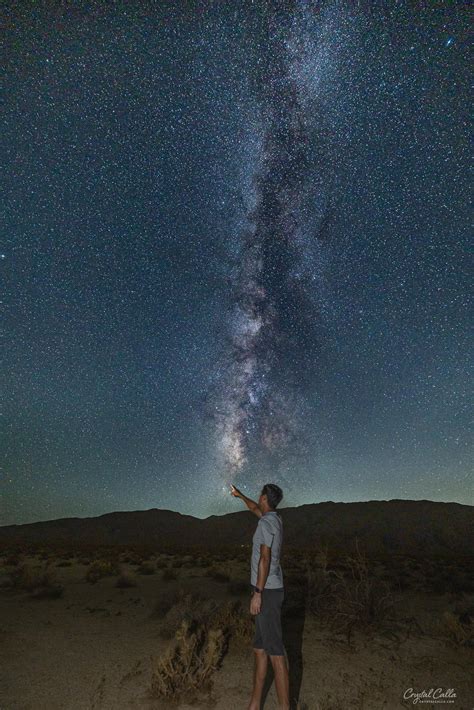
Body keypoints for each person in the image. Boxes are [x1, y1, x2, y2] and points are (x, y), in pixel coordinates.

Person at [231, 482, 290, 710]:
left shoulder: (266, 523)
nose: (258, 497)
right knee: (259, 649)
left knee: (275, 653)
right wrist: (239, 495)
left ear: (265, 497)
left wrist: (258, 593)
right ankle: (254, 705)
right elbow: (254, 508)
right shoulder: (274, 518)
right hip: (269, 588)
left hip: (267, 591)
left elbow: (264, 558)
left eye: (260, 495)